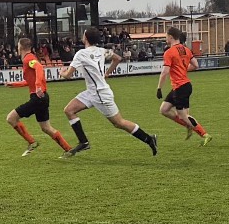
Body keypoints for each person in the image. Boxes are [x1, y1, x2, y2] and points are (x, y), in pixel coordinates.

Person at [58, 27, 157, 157]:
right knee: (69, 110)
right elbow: (117, 58)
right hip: (92, 92)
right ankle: (83, 142)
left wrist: (62, 72)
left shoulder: (81, 54)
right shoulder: (102, 51)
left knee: (119, 122)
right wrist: (107, 73)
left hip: (100, 94)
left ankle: (149, 139)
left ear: (85, 38)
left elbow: (68, 75)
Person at [5, 37, 71, 156]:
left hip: (37, 98)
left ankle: (32, 142)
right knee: (46, 128)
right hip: (43, 97)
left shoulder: (28, 59)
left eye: (18, 46)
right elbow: (29, 81)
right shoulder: (29, 58)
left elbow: (39, 67)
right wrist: (14, 84)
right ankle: (68, 149)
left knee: (11, 118)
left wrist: (38, 85)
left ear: (20, 47)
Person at [157, 27, 210, 144]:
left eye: (166, 36)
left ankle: (204, 134)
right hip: (183, 86)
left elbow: (165, 72)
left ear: (171, 37)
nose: (165, 39)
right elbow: (196, 65)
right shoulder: (186, 50)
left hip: (180, 87)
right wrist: (183, 70)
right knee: (164, 109)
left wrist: (159, 88)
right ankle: (188, 125)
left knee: (183, 116)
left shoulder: (169, 52)